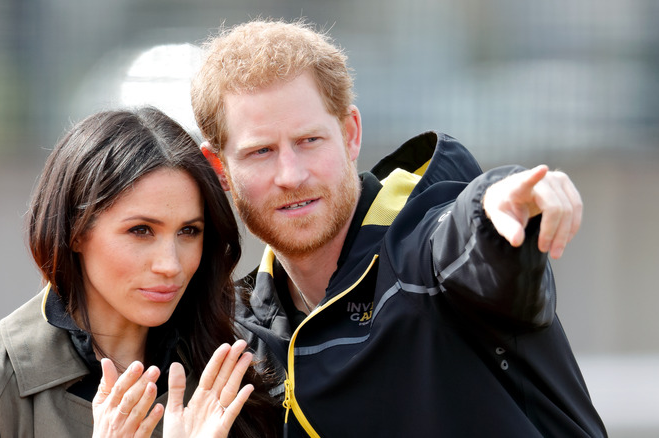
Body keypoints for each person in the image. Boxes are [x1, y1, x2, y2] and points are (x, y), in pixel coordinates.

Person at [190, 19, 607, 437]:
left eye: (309, 141)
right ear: (220, 169)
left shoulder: (423, 251)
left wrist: (494, 206)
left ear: (350, 134)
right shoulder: (233, 337)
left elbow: (465, 238)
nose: (291, 174)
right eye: (261, 152)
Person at [0, 107, 280, 438]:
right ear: (75, 231)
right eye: (141, 230)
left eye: (189, 231)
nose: (170, 264)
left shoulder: (235, 371)